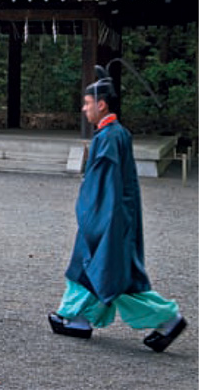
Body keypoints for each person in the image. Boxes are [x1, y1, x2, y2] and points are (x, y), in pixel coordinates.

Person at [48, 70, 187, 352]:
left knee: (102, 271)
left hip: (108, 218)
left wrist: (93, 219)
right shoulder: (118, 133)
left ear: (102, 105)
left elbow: (103, 186)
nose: (84, 108)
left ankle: (164, 318)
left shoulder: (108, 138)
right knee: (108, 273)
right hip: (117, 216)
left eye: (87, 103)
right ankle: (77, 316)